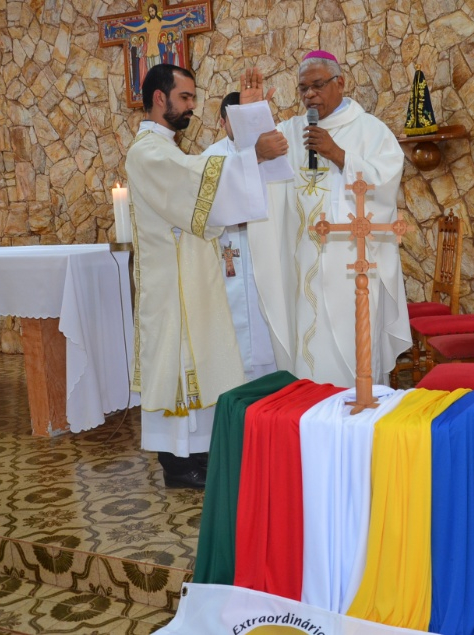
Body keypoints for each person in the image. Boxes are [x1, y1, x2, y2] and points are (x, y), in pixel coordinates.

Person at [125, 64, 287, 488]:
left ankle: (193, 456)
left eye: (193, 98)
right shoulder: (148, 152)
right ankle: (178, 465)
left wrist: (249, 133)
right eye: (185, 98)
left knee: (192, 366)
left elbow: (202, 185)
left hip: (186, 274)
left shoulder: (166, 150)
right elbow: (198, 186)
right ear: (160, 99)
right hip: (171, 283)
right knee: (177, 367)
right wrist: (255, 154)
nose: (192, 107)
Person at [249, 50, 410, 388]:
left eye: (318, 85)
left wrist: (339, 155)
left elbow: (387, 180)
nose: (310, 95)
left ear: (341, 83)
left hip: (353, 269)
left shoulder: (369, 130)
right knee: (309, 352)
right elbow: (255, 165)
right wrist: (251, 117)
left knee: (353, 353)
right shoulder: (290, 132)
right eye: (303, 88)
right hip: (302, 264)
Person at [203, 91, 278, 382]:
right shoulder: (210, 159)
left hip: (264, 248)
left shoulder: (273, 153)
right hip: (228, 248)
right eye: (235, 119)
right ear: (223, 122)